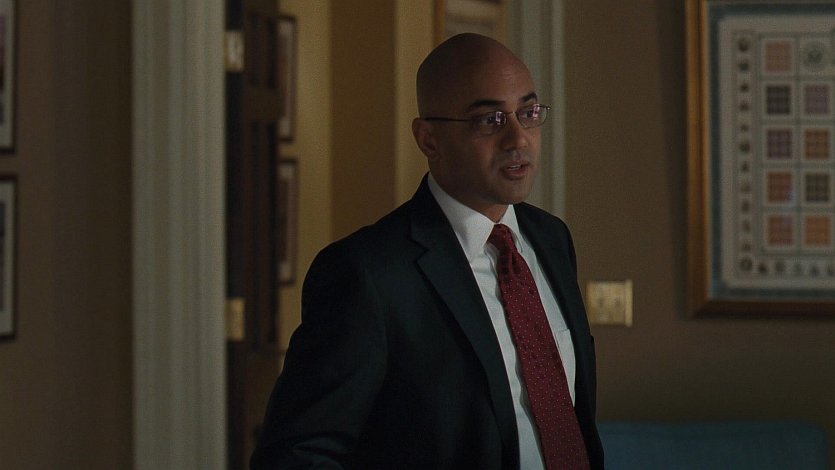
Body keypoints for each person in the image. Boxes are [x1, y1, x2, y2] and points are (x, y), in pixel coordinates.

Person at [251, 33, 604, 470]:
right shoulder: (368, 274)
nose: (518, 139)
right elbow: (296, 455)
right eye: (490, 120)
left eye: (528, 113)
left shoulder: (551, 240)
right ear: (429, 139)